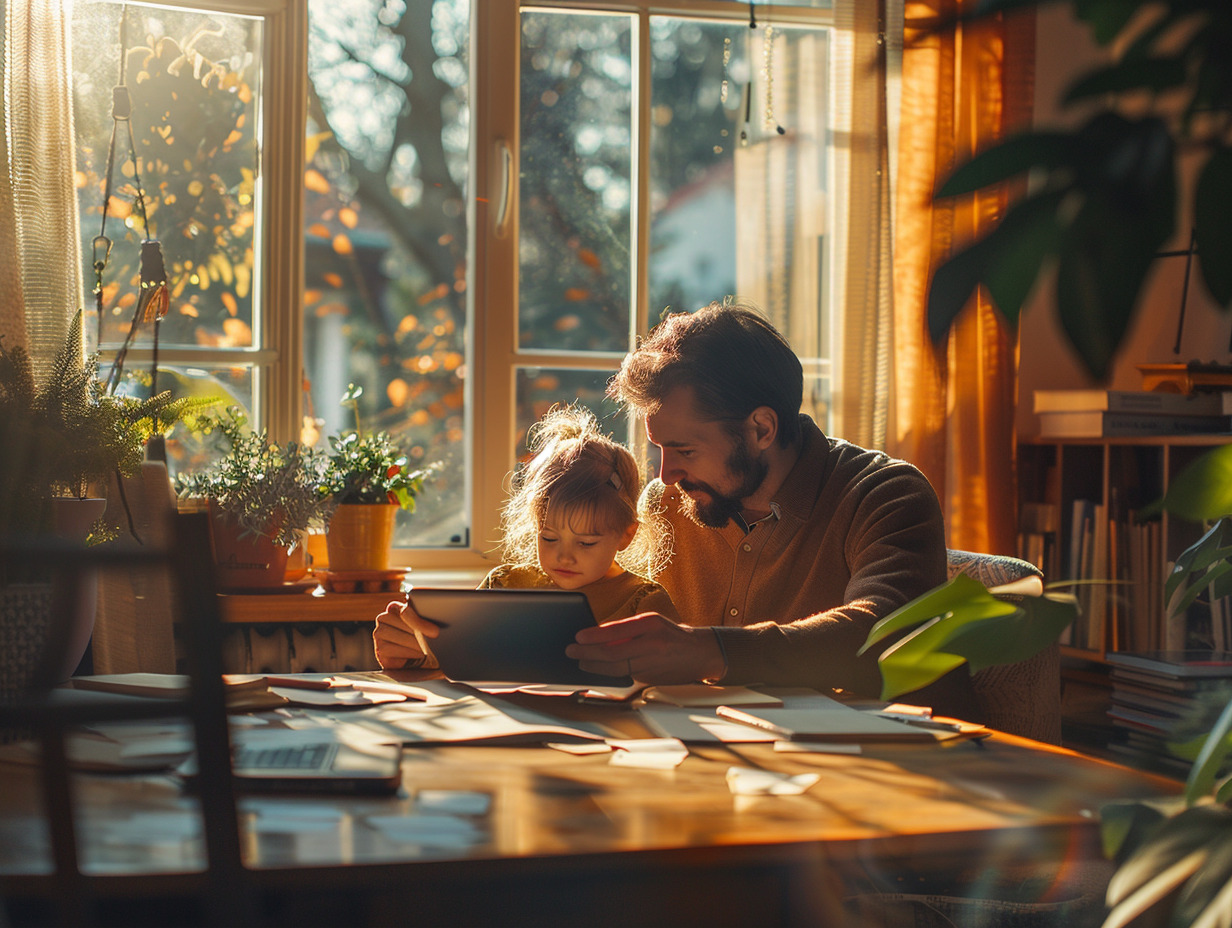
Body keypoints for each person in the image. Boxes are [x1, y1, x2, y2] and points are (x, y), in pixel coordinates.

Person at [560, 299, 971, 714]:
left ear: (761, 429)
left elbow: (883, 632)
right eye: (660, 449)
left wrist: (712, 651)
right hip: (712, 756)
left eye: (684, 449)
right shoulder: (667, 505)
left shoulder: (884, 493)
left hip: (877, 761)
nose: (666, 474)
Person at [373, 405, 677, 670]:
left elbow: (670, 682)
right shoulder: (504, 586)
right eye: (549, 537)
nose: (564, 556)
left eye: (586, 543)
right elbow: (458, 660)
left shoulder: (645, 603)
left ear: (626, 535)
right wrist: (415, 653)